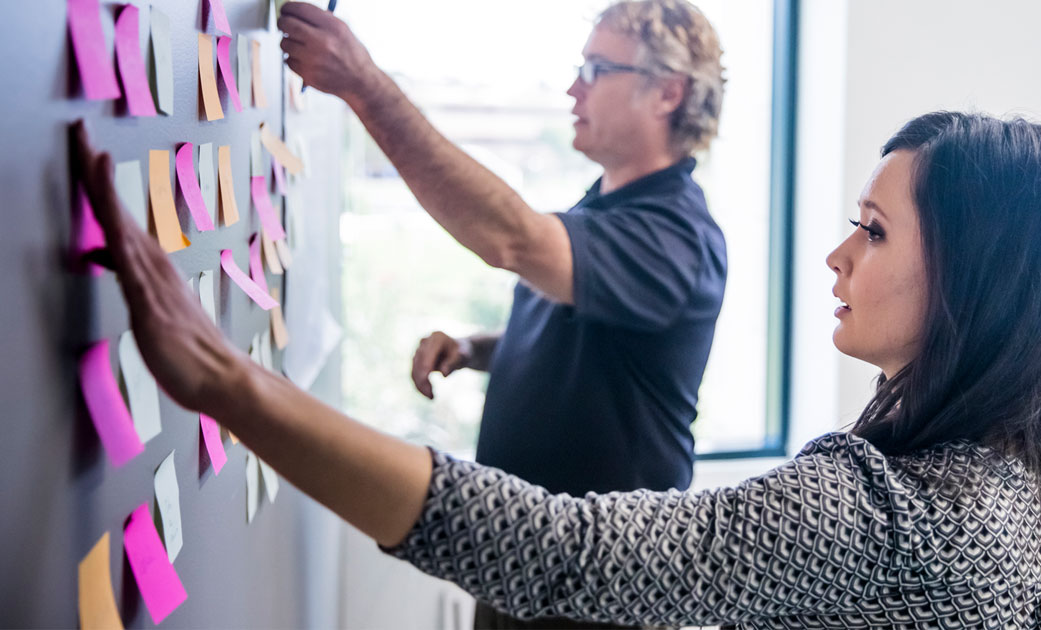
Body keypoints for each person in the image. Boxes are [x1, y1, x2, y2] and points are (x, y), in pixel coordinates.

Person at [70, 107, 1041, 628]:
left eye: (872, 232)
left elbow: (563, 547)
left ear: (972, 279)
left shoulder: (892, 515)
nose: (837, 254)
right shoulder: (1026, 488)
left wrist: (235, 387)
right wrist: (489, 351)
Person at [279, 4, 726, 624]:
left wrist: (364, 85)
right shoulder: (606, 208)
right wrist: (475, 348)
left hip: (596, 591)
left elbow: (510, 239)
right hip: (525, 566)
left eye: (597, 69)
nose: (574, 88)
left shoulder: (676, 236)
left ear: (668, 93)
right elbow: (587, 337)